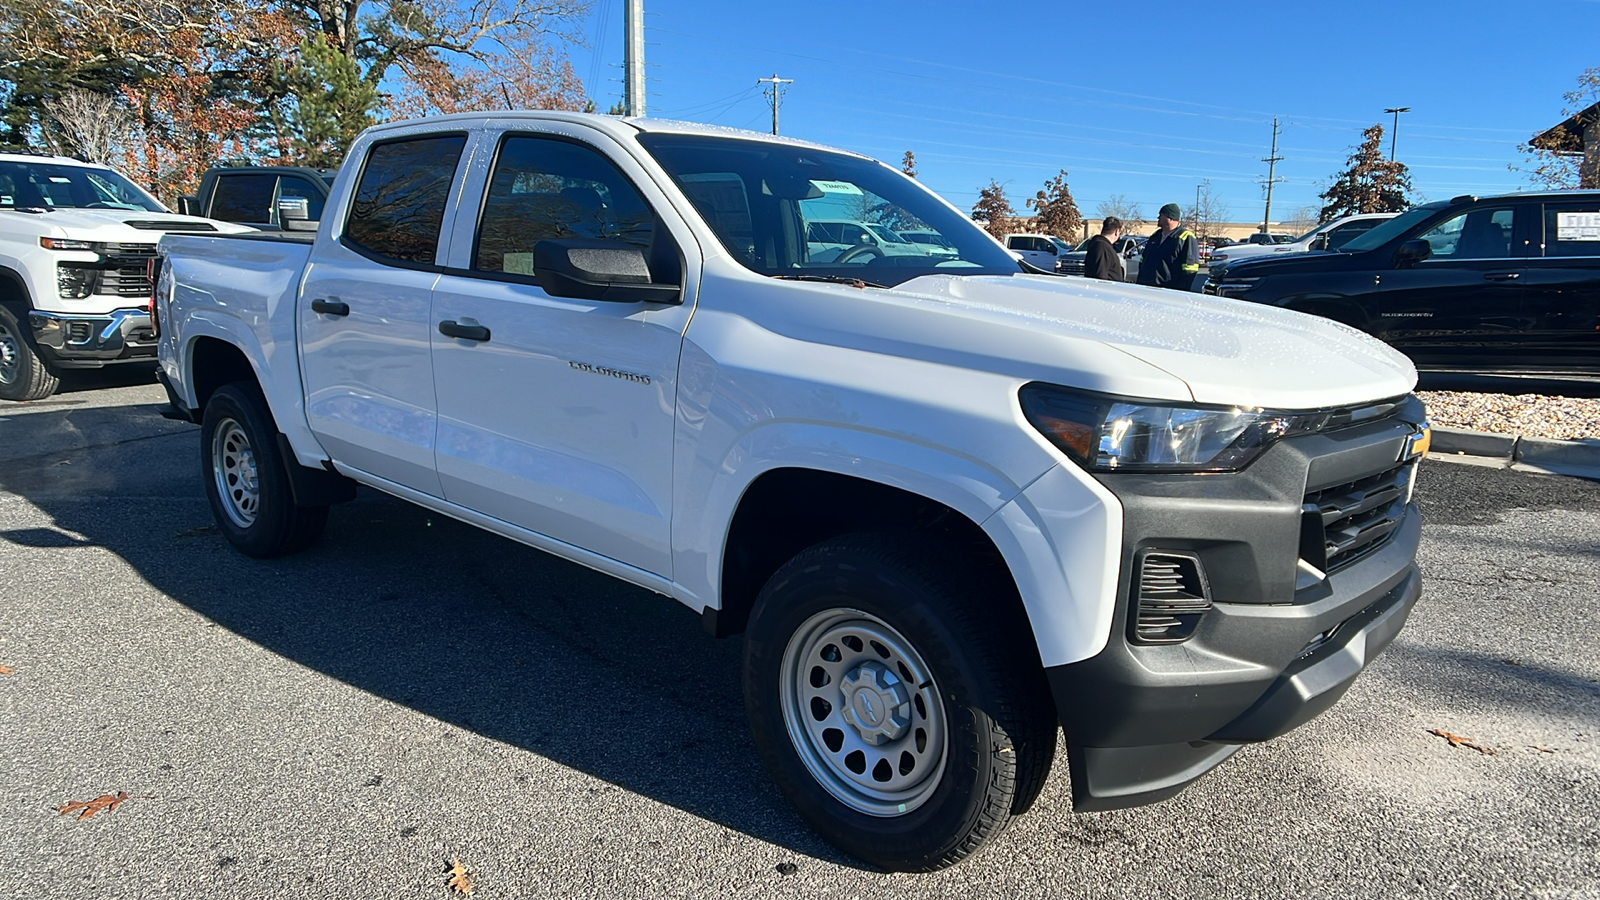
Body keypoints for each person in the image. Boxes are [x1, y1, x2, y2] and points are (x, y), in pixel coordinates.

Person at [1137, 203, 1200, 291]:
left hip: (1168, 291)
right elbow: (1143, 260)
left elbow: (1190, 269)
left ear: (1170, 218)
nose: (1158, 218)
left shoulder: (1185, 237)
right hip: (1146, 288)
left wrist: (1180, 291)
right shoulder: (1155, 236)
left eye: (1161, 215)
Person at [1083, 217, 1125, 282]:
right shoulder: (1102, 247)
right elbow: (1100, 276)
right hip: (1107, 290)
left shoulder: (1101, 246)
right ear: (1117, 231)